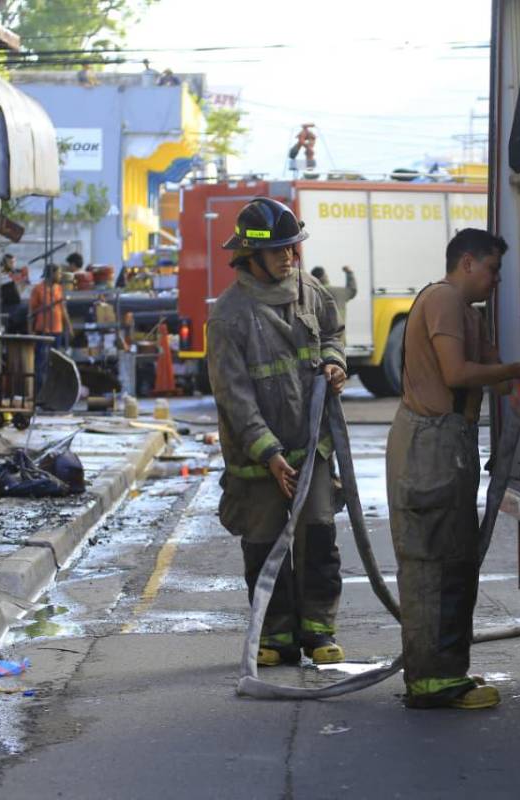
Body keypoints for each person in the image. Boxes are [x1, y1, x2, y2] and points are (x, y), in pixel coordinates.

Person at [385, 228, 520, 710]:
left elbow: (484, 361)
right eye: (492, 269)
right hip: (429, 446)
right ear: (466, 262)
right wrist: (516, 371)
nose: (496, 280)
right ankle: (433, 682)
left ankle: (446, 672)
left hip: (446, 445)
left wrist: (508, 371)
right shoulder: (445, 300)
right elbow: (456, 374)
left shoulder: (468, 313)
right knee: (434, 565)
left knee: (454, 559)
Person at [207, 198, 350, 667]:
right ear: (250, 255)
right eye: (279, 251)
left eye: (293, 247)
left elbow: (333, 333)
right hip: (259, 461)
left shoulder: (311, 291)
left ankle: (319, 632)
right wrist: (268, 453)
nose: (289, 257)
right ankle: (276, 634)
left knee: (318, 539)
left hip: (313, 450)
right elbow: (235, 395)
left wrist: (334, 361)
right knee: (266, 546)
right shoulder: (229, 315)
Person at [28, 263, 73, 395]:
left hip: (57, 331)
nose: (60, 276)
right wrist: (30, 330)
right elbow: (31, 311)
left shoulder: (58, 288)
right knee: (41, 363)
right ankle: (39, 393)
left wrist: (68, 326)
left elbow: (63, 309)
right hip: (43, 331)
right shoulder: (38, 289)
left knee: (54, 363)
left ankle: (51, 393)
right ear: (52, 273)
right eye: (58, 273)